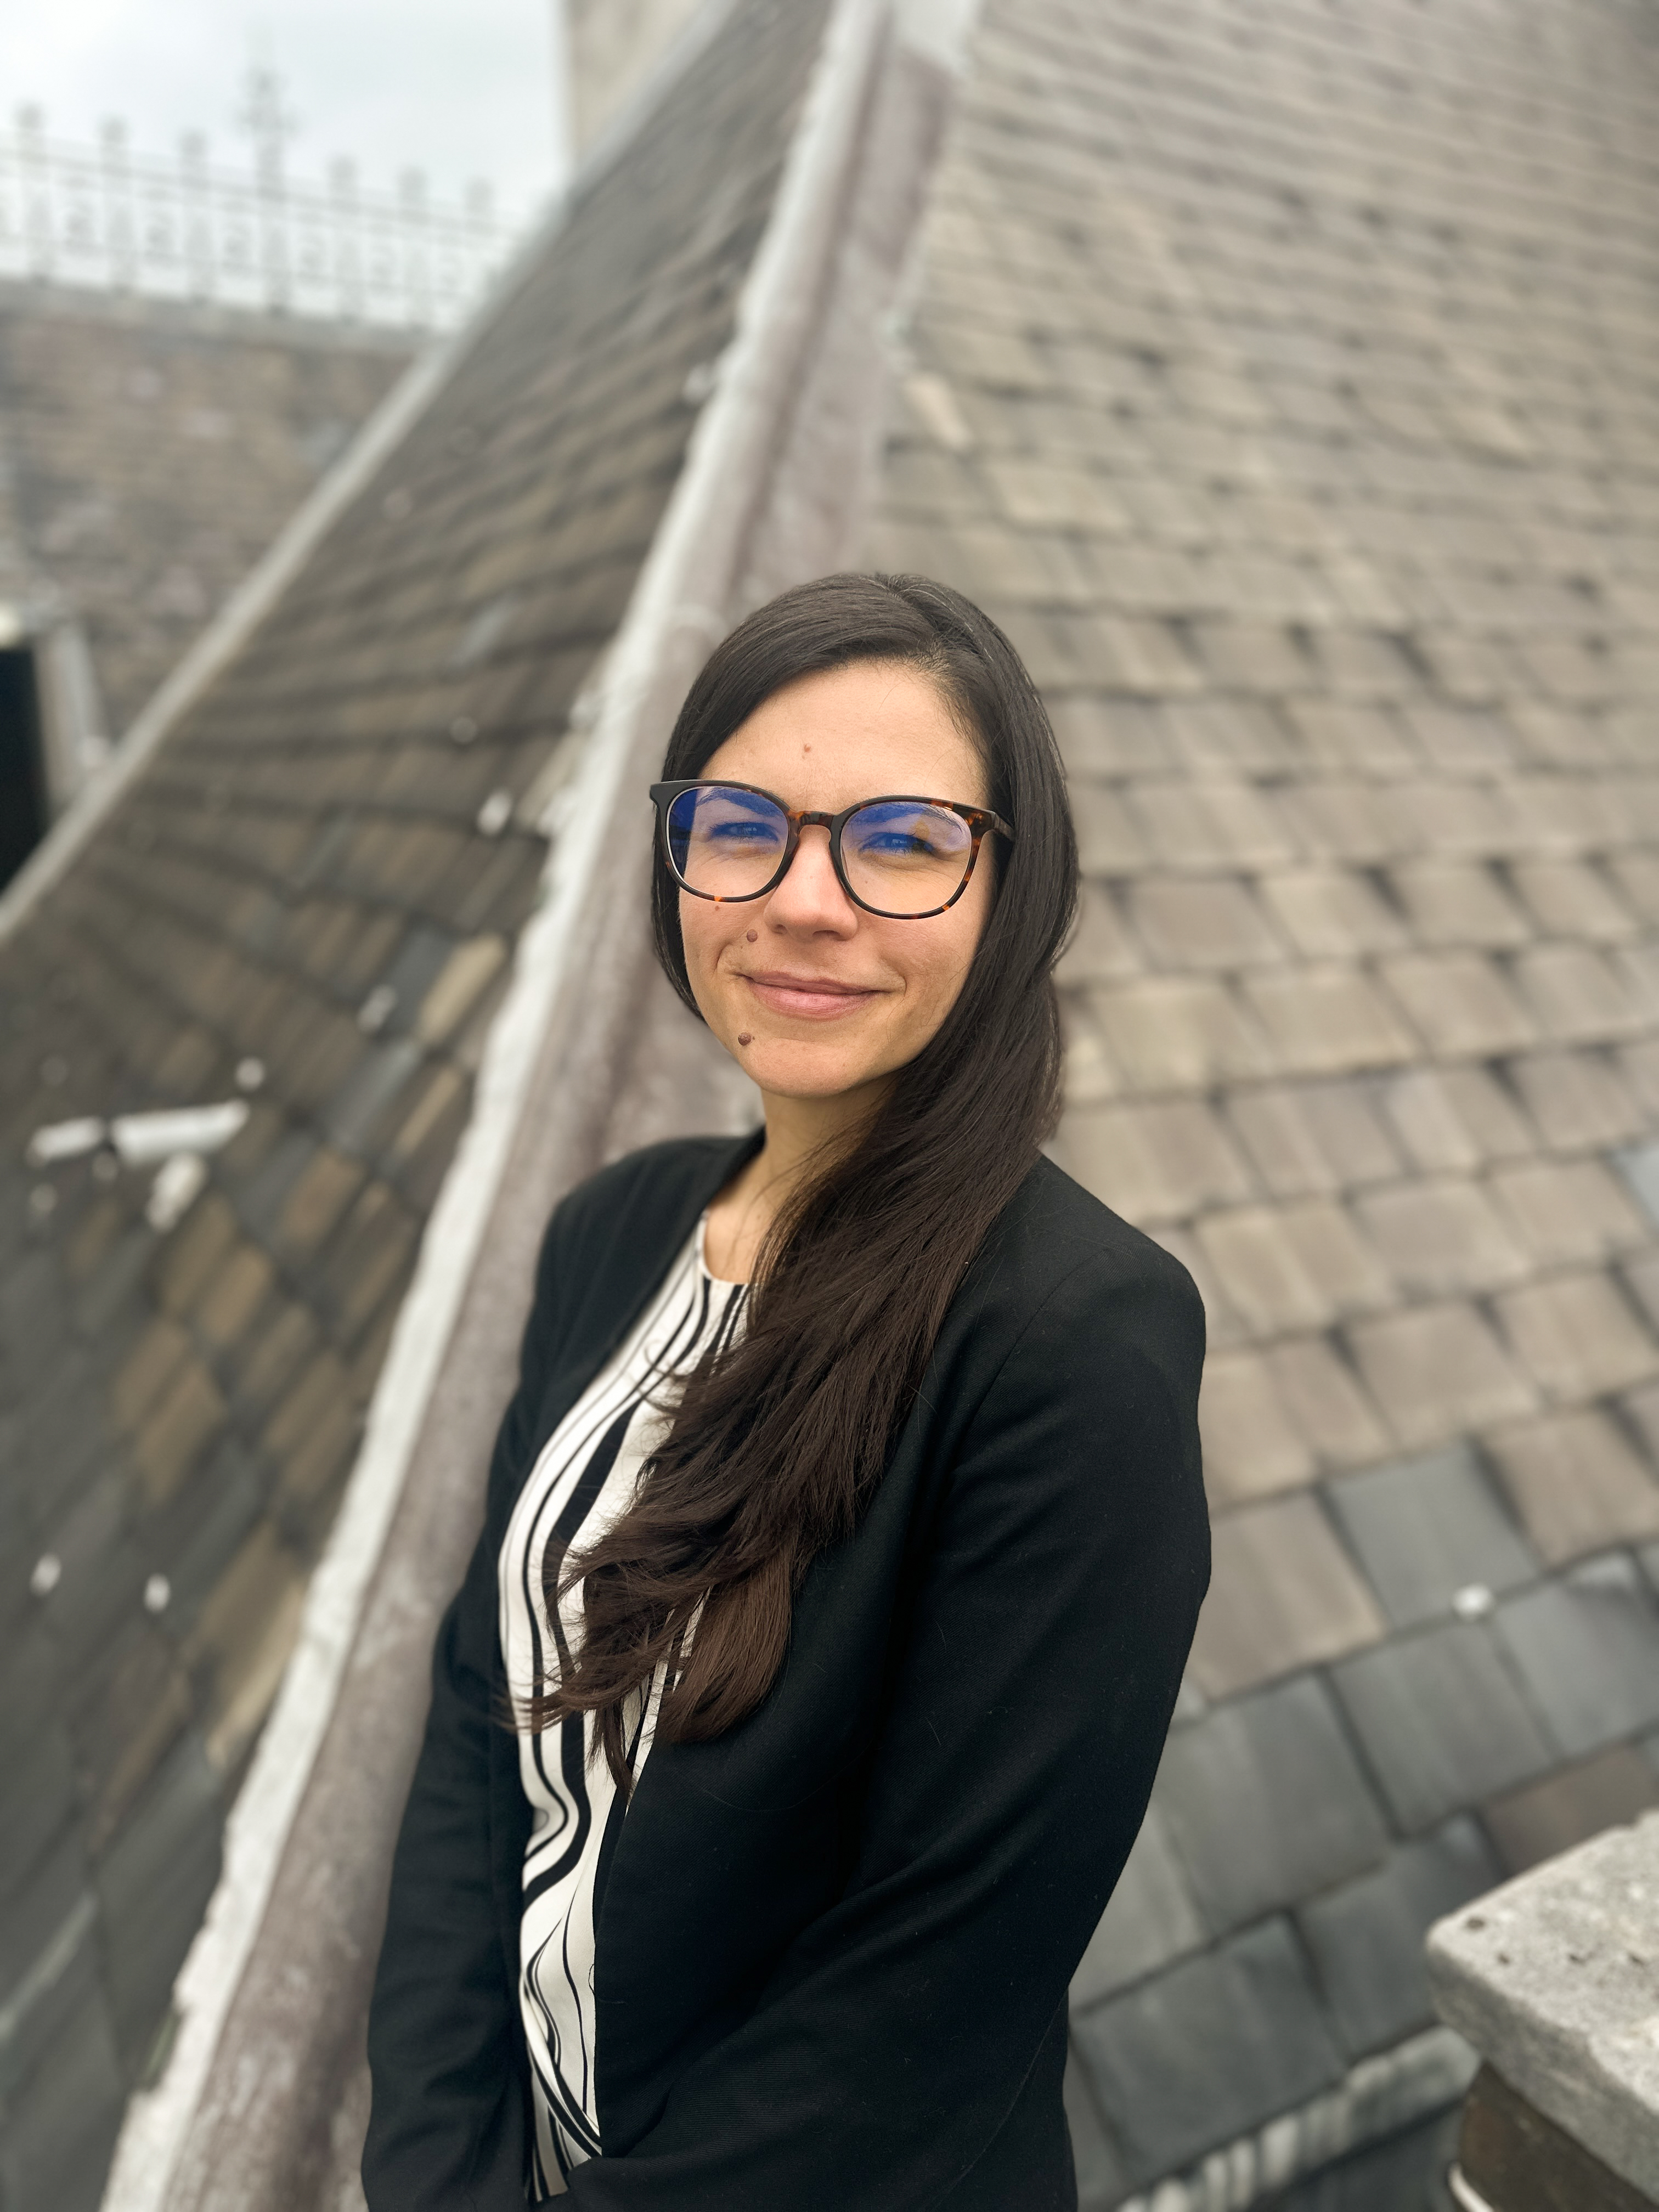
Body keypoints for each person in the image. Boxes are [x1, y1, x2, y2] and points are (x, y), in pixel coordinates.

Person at [362, 572, 1210, 2210]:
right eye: (742, 824)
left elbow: (929, 1995)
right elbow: (481, 1719)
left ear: (1011, 890)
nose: (805, 900)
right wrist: (437, 2170)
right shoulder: (614, 1234)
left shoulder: (1070, 1345)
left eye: (901, 841)